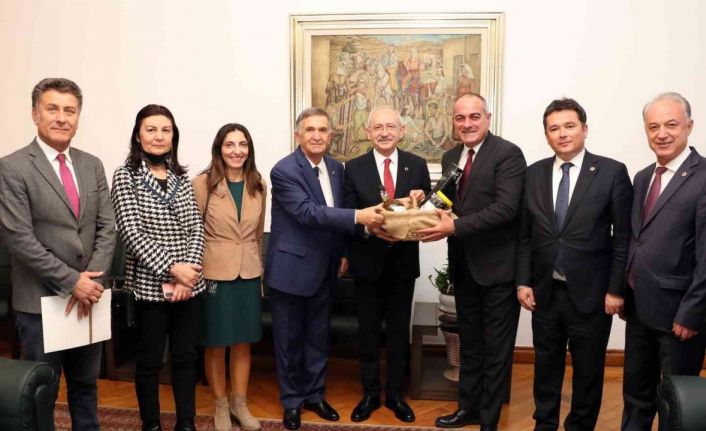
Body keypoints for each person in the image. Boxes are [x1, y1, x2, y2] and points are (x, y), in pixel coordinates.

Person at [0, 77, 116, 431]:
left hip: (89, 299)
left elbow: (107, 228)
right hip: (40, 303)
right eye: (53, 109)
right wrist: (71, 282)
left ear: (78, 116)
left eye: (70, 110)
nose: (62, 118)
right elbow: (19, 238)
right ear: (35, 114)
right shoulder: (13, 167)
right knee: (40, 393)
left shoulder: (92, 164)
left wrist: (90, 284)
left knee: (86, 385)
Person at [515, 98, 633, 430]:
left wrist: (616, 290)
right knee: (545, 365)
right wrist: (523, 281)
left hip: (592, 295)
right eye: (554, 128)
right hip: (545, 291)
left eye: (569, 126)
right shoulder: (533, 173)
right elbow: (524, 235)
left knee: (588, 370)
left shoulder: (611, 172)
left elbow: (623, 238)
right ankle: (544, 423)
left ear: (584, 129)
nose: (562, 134)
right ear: (546, 135)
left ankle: (580, 426)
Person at [265, 107, 384, 430]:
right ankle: (292, 402)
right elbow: (308, 213)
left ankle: (315, 395)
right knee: (289, 341)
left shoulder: (335, 168)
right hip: (291, 270)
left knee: (318, 338)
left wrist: (343, 251)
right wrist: (359, 217)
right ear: (298, 135)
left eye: (322, 130)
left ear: (331, 135)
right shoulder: (284, 170)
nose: (317, 135)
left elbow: (336, 211)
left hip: (326, 267)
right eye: (310, 130)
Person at [418, 94, 526, 431]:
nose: (467, 124)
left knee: (496, 350)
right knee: (471, 345)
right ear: (454, 121)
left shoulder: (507, 154)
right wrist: (422, 204)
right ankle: (468, 409)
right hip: (464, 267)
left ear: (487, 118)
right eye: (460, 118)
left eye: (474, 116)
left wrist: (455, 226)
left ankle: (489, 420)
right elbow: (447, 201)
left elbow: (506, 209)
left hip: (498, 270)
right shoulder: (451, 156)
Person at [111, 104, 206, 431]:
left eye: (166, 130)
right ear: (138, 135)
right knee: (150, 360)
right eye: (151, 129)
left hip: (190, 286)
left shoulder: (181, 176)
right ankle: (150, 424)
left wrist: (187, 274)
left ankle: (186, 423)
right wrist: (172, 269)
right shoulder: (125, 176)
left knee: (186, 357)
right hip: (150, 286)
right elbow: (131, 232)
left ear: (173, 136)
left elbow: (197, 228)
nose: (159, 136)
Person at [621, 92, 706, 431]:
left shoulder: (703, 177)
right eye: (653, 126)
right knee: (636, 396)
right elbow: (637, 238)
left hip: (679, 315)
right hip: (639, 308)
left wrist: (692, 312)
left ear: (689, 126)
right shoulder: (643, 177)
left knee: (677, 403)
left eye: (671, 124)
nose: (662, 134)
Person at [343, 106, 431, 423]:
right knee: (367, 332)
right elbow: (348, 215)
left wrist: (422, 200)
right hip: (367, 263)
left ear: (401, 131)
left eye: (390, 126)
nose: (384, 132)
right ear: (368, 132)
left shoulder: (417, 165)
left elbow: (427, 210)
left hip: (403, 264)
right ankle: (369, 394)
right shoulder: (353, 168)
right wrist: (369, 228)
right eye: (378, 127)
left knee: (397, 331)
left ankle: (395, 394)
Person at [192, 124, 266, 431]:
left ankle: (240, 403)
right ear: (219, 149)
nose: (237, 151)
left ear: (249, 149)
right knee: (216, 342)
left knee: (243, 342)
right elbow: (194, 232)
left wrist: (259, 272)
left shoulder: (258, 183)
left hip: (248, 271)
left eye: (242, 144)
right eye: (230, 144)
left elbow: (258, 234)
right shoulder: (202, 183)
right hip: (214, 272)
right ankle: (220, 405)